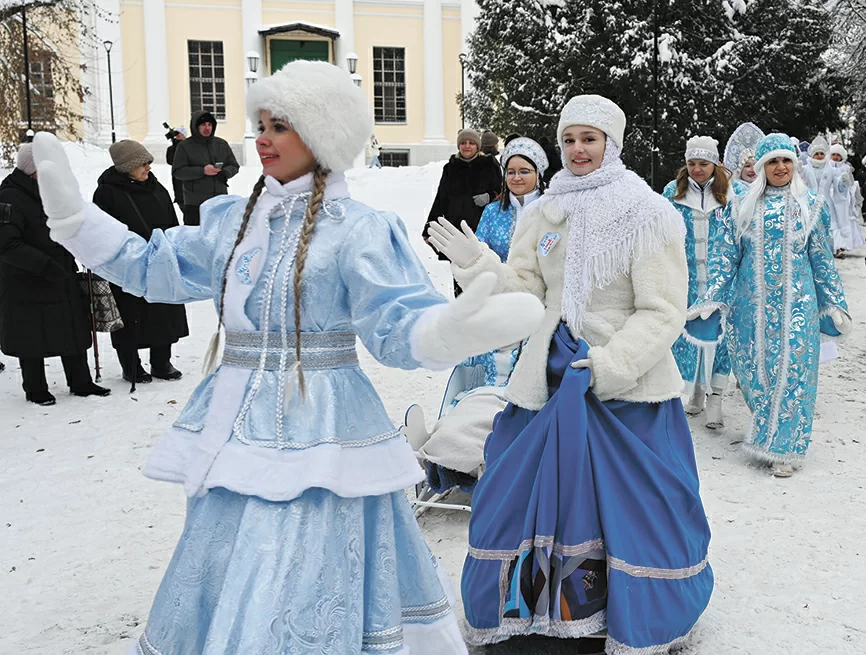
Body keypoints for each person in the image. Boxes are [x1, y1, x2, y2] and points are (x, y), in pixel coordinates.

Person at [31, 60, 546, 654]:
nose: (263, 139)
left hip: (324, 428)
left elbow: (395, 320)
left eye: (281, 126)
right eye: (261, 125)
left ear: (323, 134)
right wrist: (76, 223)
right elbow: (154, 266)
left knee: (303, 570)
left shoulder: (358, 229)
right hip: (233, 424)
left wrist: (446, 331)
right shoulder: (232, 220)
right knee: (228, 559)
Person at [428, 95, 712, 653]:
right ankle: (536, 610)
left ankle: (617, 613)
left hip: (623, 390)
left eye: (589, 139)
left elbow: (662, 310)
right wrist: (478, 265)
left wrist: (610, 366)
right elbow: (526, 292)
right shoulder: (544, 212)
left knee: (633, 508)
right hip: (547, 378)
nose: (578, 150)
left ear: (611, 144)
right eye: (569, 140)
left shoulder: (648, 212)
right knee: (510, 493)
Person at [688, 134, 851, 477]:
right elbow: (725, 256)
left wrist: (834, 302)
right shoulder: (740, 206)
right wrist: (712, 296)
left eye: (786, 160)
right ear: (762, 167)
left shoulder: (811, 205)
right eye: (773, 162)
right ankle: (767, 431)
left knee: (795, 373)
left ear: (794, 164)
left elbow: (822, 259)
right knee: (756, 374)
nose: (780, 167)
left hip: (798, 306)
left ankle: (785, 449)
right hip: (750, 309)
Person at [410, 136, 550, 491]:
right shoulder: (493, 213)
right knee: (488, 373)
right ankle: (460, 444)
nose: (516, 177)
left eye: (524, 171)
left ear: (539, 173)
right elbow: (476, 254)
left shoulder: (552, 212)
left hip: (540, 311)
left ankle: (518, 443)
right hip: (496, 308)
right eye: (511, 171)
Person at [0, 144, 110, 405]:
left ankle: (81, 381)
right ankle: (35, 388)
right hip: (27, 279)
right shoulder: (9, 197)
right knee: (31, 335)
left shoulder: (53, 192)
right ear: (32, 170)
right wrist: (44, 265)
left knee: (71, 327)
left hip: (61, 273)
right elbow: (6, 244)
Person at [93, 140, 189, 383]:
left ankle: (161, 362)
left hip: (161, 262)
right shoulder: (107, 193)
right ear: (127, 166)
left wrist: (175, 247)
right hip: (127, 266)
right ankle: (131, 366)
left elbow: (172, 222)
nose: (148, 167)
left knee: (163, 310)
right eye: (143, 163)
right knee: (130, 315)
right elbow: (101, 231)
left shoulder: (156, 188)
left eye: (148, 162)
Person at [663, 136, 734, 428]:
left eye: (703, 163)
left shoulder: (732, 193)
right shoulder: (672, 192)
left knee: (720, 339)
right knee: (688, 337)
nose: (697, 169)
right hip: (688, 280)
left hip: (722, 281)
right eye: (691, 163)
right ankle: (694, 392)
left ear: (715, 164)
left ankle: (716, 399)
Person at [424, 128, 502, 295]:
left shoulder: (489, 165)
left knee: (484, 269)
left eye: (471, 143)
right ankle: (462, 304)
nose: (467, 146)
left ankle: (486, 303)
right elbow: (441, 199)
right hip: (456, 228)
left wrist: (489, 196)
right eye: (463, 143)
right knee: (460, 272)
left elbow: (501, 191)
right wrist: (429, 227)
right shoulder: (450, 168)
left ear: (478, 146)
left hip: (483, 227)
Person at [171, 110, 239, 226]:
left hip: (220, 201)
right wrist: (202, 171)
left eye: (209, 124)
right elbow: (178, 171)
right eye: (203, 124)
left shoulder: (221, 144)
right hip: (195, 203)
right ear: (195, 126)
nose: (207, 128)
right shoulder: (185, 146)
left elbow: (234, 165)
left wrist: (225, 172)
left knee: (219, 233)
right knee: (195, 234)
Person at [802, 136, 853, 257]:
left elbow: (839, 187)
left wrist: (843, 182)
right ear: (812, 155)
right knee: (809, 227)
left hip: (826, 204)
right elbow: (797, 183)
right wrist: (798, 172)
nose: (819, 156)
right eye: (817, 154)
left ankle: (830, 250)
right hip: (809, 203)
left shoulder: (830, 169)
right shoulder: (806, 168)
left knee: (829, 227)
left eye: (821, 153)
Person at [829, 144, 866, 252]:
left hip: (843, 199)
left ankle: (841, 245)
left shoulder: (846, 168)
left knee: (843, 221)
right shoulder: (827, 166)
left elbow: (850, 183)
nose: (836, 157)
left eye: (838, 155)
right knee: (832, 222)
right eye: (833, 154)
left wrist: (845, 183)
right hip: (830, 197)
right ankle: (832, 245)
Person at [724, 122, 764, 191]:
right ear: (740, 170)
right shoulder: (731, 191)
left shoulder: (767, 189)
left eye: (755, 165)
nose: (753, 170)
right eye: (747, 166)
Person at [164, 126, 187, 208]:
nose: (177, 135)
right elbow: (170, 161)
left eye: (179, 133)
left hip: (187, 176)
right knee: (180, 198)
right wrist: (175, 144)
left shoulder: (189, 147)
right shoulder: (171, 148)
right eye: (176, 133)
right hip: (177, 177)